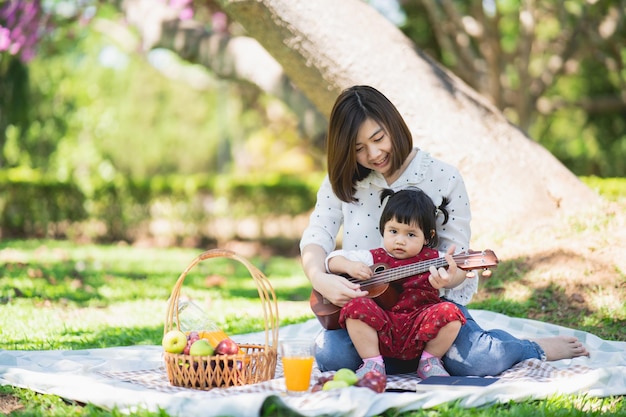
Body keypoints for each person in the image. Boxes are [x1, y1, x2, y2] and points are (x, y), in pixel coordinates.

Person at [300, 85, 589, 376]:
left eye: (378, 138)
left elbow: (458, 257)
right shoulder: (343, 181)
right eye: (358, 148)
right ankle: (404, 360)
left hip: (428, 310)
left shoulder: (443, 177)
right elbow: (317, 236)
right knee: (329, 354)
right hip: (369, 312)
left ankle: (528, 347)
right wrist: (320, 278)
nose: (373, 154)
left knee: (479, 361)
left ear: (394, 125)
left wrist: (451, 277)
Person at [326, 187, 466, 379]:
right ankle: (372, 364)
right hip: (382, 323)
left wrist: (451, 277)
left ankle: (429, 361)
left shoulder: (436, 259)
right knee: (355, 305)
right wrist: (349, 266)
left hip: (421, 323)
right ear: (383, 229)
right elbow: (332, 259)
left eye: (410, 234)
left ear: (428, 236)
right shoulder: (372, 257)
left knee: (450, 312)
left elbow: (458, 271)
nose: (400, 241)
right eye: (393, 231)